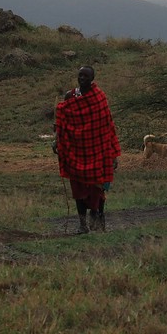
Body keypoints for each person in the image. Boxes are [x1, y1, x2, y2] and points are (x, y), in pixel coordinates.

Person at [54, 66, 120, 233]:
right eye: (80, 75)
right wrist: (58, 141)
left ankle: (97, 219)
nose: (81, 78)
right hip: (77, 152)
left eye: (85, 76)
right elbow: (62, 122)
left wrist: (113, 153)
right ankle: (83, 224)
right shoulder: (70, 96)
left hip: (99, 150)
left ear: (92, 79)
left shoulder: (99, 97)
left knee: (98, 187)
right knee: (79, 190)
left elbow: (108, 125)